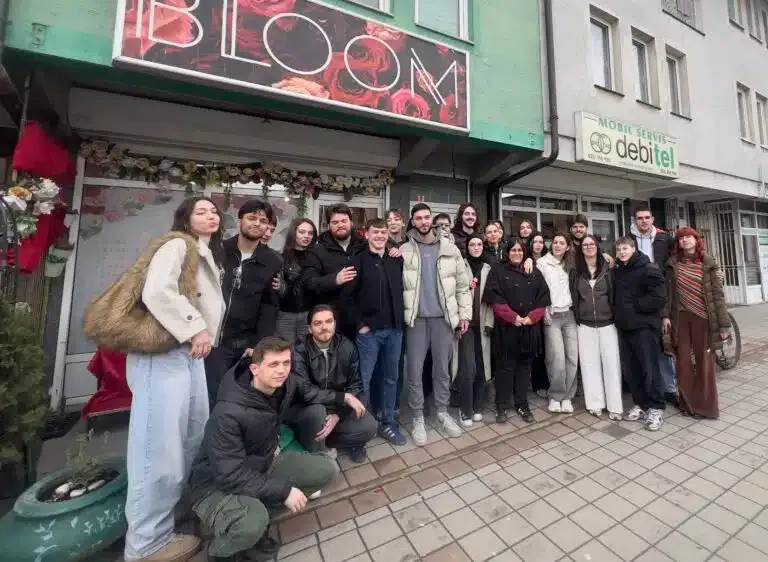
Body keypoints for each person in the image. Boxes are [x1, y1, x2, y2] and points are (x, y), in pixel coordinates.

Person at [123, 197, 226, 562]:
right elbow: (157, 292)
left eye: (214, 211)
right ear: (185, 218)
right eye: (201, 210)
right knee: (158, 447)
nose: (211, 215)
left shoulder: (203, 251)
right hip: (163, 353)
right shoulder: (176, 244)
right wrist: (195, 328)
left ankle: (172, 516)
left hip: (189, 354)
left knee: (190, 435)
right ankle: (146, 543)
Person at [188, 337, 337, 562]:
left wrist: (342, 405)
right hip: (214, 484)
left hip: (260, 464)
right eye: (274, 364)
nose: (282, 371)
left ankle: (258, 517)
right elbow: (228, 474)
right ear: (255, 368)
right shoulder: (228, 412)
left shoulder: (283, 385)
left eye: (286, 363)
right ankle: (220, 552)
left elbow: (310, 393)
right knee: (251, 522)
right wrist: (284, 491)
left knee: (327, 469)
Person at [402, 203, 472, 445]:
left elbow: (463, 286)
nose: (423, 221)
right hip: (416, 321)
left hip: (443, 320)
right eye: (418, 218)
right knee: (414, 371)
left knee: (442, 370)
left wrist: (464, 315)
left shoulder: (450, 249)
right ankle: (418, 417)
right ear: (412, 221)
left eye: (426, 217)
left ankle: (442, 412)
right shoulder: (404, 250)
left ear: (431, 219)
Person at [206, 199, 282, 409]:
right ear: (240, 220)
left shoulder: (273, 261)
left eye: (263, 220)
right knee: (210, 398)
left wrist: (258, 344)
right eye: (251, 218)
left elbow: (269, 306)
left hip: (243, 345)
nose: (257, 223)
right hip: (210, 340)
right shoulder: (218, 251)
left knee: (241, 399)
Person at [340, 218, 406, 445]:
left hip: (395, 330)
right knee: (363, 382)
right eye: (375, 232)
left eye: (383, 232)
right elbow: (346, 300)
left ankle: (388, 423)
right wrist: (360, 326)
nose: (380, 236)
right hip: (369, 334)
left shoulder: (396, 260)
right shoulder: (356, 261)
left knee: (391, 378)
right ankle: (359, 432)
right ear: (366, 234)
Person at [286, 305, 378, 462]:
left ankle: (325, 440)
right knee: (317, 413)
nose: (324, 327)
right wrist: (344, 398)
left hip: (335, 405)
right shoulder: (299, 350)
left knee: (369, 426)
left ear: (335, 323)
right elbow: (305, 392)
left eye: (328, 321)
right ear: (309, 328)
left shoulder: (347, 347)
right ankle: (315, 448)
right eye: (318, 323)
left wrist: (338, 414)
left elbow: (355, 385)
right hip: (307, 407)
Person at [662, 228, 729, 419]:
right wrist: (665, 315)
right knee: (683, 363)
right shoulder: (672, 264)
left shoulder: (708, 264)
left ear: (696, 240)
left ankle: (706, 407)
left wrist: (724, 325)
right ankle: (688, 405)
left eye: (688, 237)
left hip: (704, 320)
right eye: (681, 238)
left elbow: (717, 296)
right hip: (681, 319)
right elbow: (667, 295)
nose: (684, 241)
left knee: (704, 363)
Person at [483, 239, 550, 424]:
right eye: (513, 250)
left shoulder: (532, 270)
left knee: (524, 368)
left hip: (529, 328)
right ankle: (501, 405)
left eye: (520, 250)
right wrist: (513, 317)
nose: (517, 253)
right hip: (506, 328)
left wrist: (532, 317)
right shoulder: (497, 270)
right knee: (504, 368)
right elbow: (494, 298)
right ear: (507, 251)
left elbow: (543, 297)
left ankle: (522, 403)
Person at [613, 236, 667, 431]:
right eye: (619, 250)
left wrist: (636, 306)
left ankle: (656, 407)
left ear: (633, 248)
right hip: (625, 328)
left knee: (649, 368)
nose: (621, 252)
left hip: (644, 328)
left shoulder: (648, 268)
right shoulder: (619, 270)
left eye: (625, 248)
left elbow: (659, 297)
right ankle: (641, 404)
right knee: (632, 370)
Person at [629, 204, 678, 406]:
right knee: (644, 347)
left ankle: (670, 389)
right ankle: (647, 389)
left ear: (653, 220)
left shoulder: (664, 239)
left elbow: (678, 260)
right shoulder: (629, 240)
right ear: (634, 221)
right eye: (639, 218)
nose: (643, 221)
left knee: (664, 346)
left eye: (647, 217)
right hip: (639, 297)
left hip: (660, 294)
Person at [570, 235, 622, 420]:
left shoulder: (608, 268)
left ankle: (615, 406)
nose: (589, 247)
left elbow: (615, 293)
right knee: (589, 364)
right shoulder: (576, 271)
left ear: (597, 247)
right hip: (585, 324)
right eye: (585, 245)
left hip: (608, 323)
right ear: (581, 249)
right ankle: (595, 404)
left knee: (611, 364)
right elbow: (574, 296)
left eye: (592, 244)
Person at [301, 204, 367, 340]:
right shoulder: (317, 249)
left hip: (362, 320)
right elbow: (308, 282)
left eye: (344, 221)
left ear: (351, 222)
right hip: (331, 320)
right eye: (335, 222)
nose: (340, 225)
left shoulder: (363, 245)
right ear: (329, 225)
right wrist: (335, 280)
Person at [451, 234, 493, 426]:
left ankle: (477, 406)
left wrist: (490, 324)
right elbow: (453, 294)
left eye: (479, 244)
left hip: (483, 326)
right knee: (467, 368)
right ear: (466, 247)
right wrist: (458, 322)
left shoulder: (488, 268)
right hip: (466, 325)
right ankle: (464, 409)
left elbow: (494, 300)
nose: (476, 247)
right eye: (472, 244)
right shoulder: (461, 266)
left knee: (481, 368)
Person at [536, 233, 578, 414]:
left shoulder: (572, 265)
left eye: (562, 243)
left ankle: (567, 397)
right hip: (551, 316)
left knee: (572, 358)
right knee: (557, 358)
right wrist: (544, 310)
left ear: (568, 247)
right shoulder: (542, 263)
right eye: (555, 242)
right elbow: (538, 290)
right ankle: (555, 396)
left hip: (570, 315)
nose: (558, 245)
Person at [276, 218, 317, 343]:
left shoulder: (317, 257)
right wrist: (279, 287)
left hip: (308, 315)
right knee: (286, 353)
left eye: (310, 233)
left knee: (306, 354)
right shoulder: (281, 257)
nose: (306, 236)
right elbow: (282, 291)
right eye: (302, 232)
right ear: (294, 233)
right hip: (285, 315)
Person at [528, 232, 550, 398]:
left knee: (545, 348)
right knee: (535, 348)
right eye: (534, 241)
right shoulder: (525, 259)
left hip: (548, 308)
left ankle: (545, 382)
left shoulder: (549, 260)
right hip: (531, 309)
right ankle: (536, 383)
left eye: (541, 241)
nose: (538, 244)